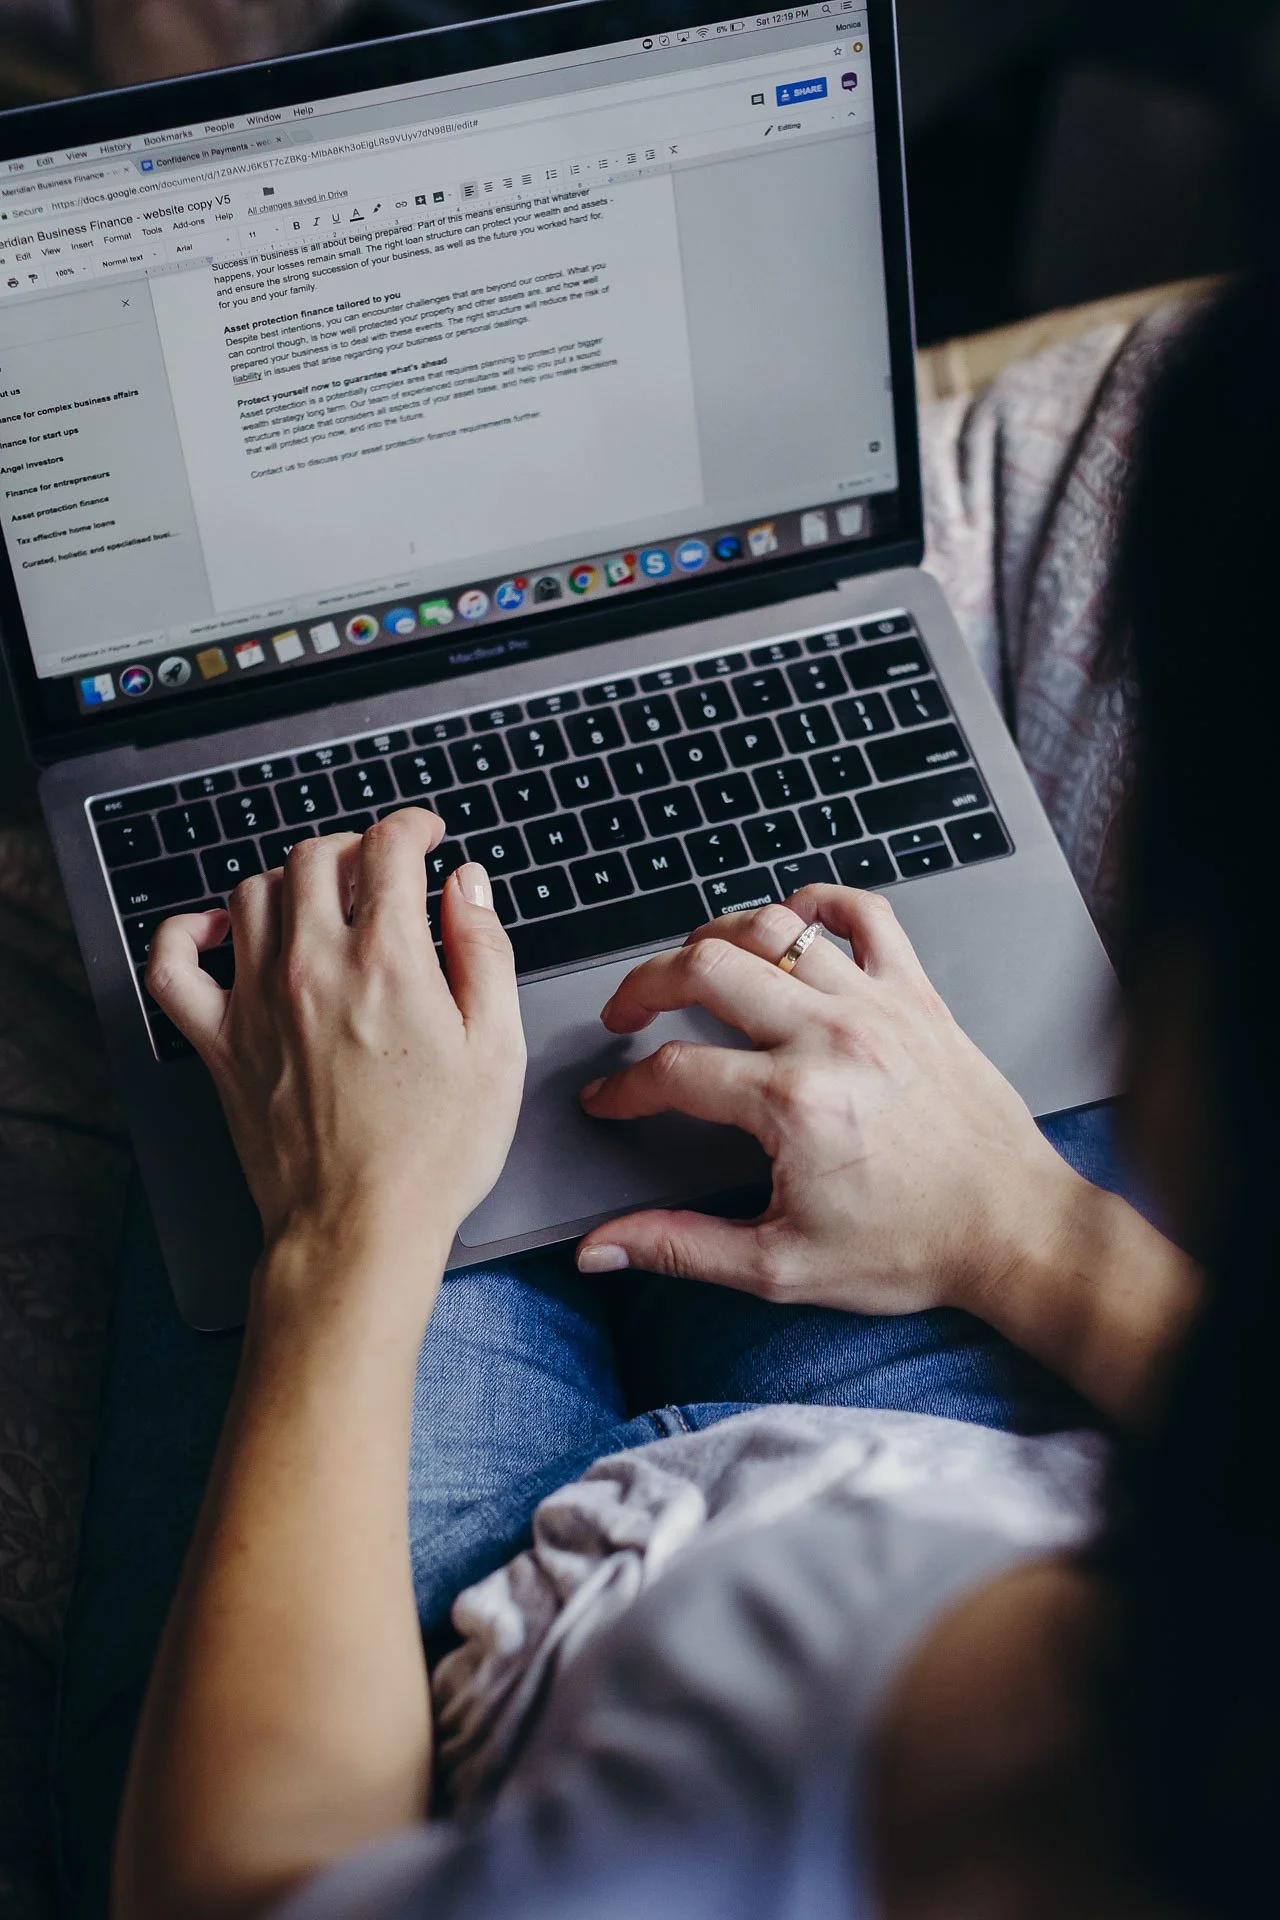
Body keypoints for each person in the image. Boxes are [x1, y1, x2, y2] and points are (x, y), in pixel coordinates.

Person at [54, 276, 1280, 1920]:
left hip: (478, 1706)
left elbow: (244, 1892)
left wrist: (350, 1236)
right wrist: (1026, 1227)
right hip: (981, 1439)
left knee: (275, 1019)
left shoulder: (704, 1849)